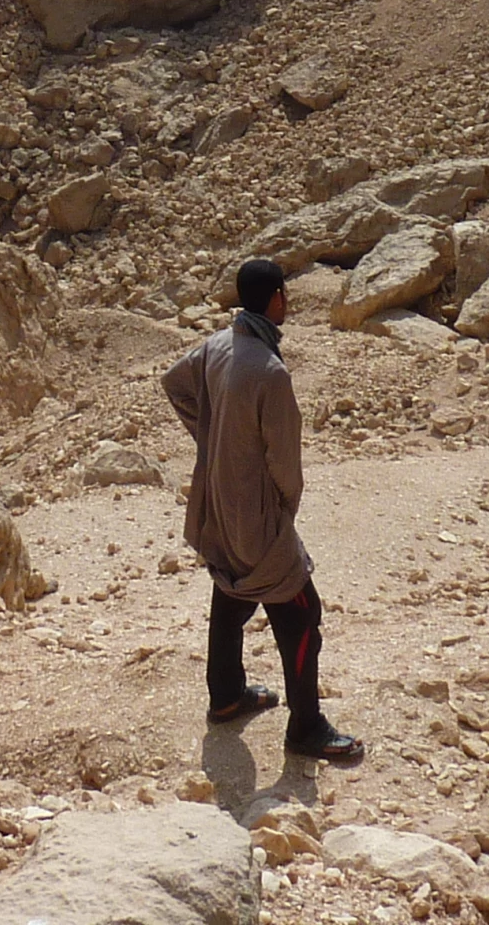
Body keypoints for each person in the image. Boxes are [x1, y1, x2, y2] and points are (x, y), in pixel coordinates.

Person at [163, 258, 365, 764]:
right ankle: (306, 727)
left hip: (216, 499)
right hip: (255, 512)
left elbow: (175, 383)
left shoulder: (217, 345)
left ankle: (227, 694)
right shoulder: (270, 372)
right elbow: (286, 465)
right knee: (300, 612)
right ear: (276, 297)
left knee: (231, 590)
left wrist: (212, 439)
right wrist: (283, 509)